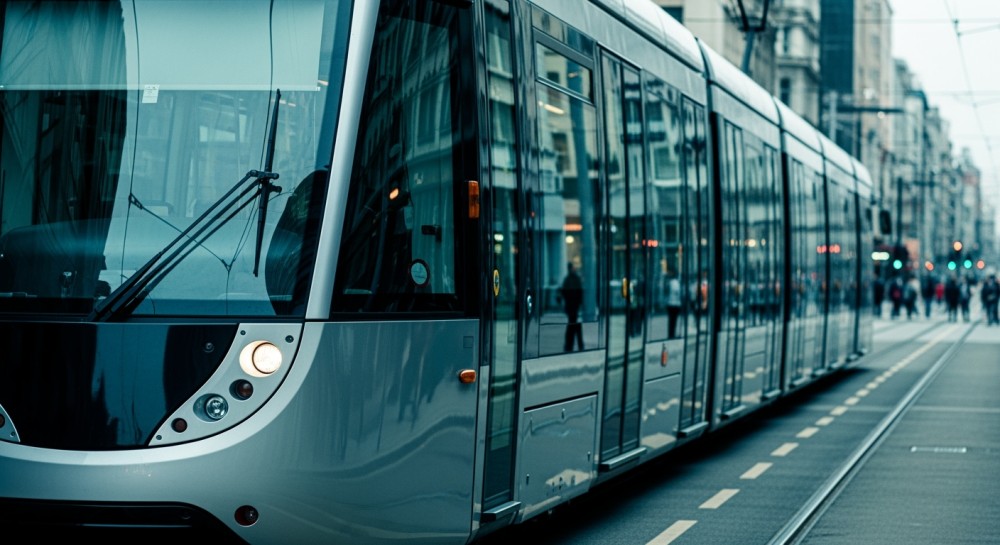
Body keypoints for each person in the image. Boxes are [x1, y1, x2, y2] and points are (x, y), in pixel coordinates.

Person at [560, 262, 584, 351]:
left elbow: (564, 292)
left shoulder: (569, 279)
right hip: (574, 307)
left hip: (572, 307)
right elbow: (579, 293)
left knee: (572, 326)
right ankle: (577, 344)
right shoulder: (574, 279)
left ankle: (569, 345)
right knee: (575, 325)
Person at [666, 272, 682, 339]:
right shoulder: (677, 283)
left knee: (670, 320)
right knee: (674, 320)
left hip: (670, 303)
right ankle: (672, 334)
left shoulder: (669, 283)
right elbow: (678, 293)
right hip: (676, 304)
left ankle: (670, 334)